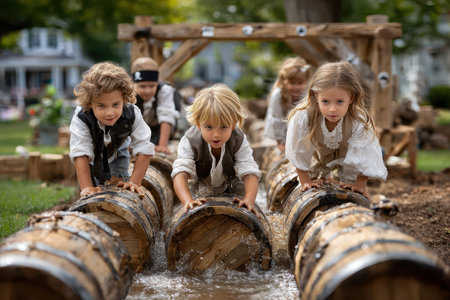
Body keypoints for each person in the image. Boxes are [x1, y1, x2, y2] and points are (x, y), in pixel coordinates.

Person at [285, 61, 387, 199]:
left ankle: (372, 212)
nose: (332, 109)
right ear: (316, 95)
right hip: (319, 158)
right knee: (310, 192)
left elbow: (366, 155)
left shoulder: (358, 119)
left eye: (340, 101)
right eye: (325, 101)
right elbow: (298, 151)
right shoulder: (305, 116)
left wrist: (360, 184)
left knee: (359, 195)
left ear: (351, 97)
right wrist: (306, 182)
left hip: (349, 160)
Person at [171, 83, 262, 213]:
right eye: (209, 127)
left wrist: (249, 199)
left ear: (233, 124)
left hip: (232, 184)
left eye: (224, 127)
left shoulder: (238, 139)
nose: (216, 134)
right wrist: (187, 200)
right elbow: (180, 173)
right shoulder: (190, 140)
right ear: (198, 124)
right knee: (189, 200)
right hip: (201, 183)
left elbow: (249, 172)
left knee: (242, 197)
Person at [70, 61, 154, 197]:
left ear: (124, 99)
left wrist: (134, 182)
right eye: (101, 105)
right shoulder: (82, 117)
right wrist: (87, 187)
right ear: (90, 103)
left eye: (116, 104)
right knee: (92, 191)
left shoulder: (131, 113)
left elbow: (144, 147)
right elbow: (80, 152)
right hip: (92, 153)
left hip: (117, 150)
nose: (110, 113)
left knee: (118, 187)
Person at [131, 57, 179, 154]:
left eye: (152, 86)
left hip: (159, 128)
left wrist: (162, 145)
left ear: (157, 83)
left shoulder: (164, 91)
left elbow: (166, 117)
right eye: (142, 86)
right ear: (134, 84)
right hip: (140, 127)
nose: (148, 91)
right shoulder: (129, 92)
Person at [264, 57, 313, 152]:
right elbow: (277, 120)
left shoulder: (306, 93)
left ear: (306, 81)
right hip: (280, 123)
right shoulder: (278, 94)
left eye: (300, 83)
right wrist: (281, 141)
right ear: (284, 81)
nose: (296, 87)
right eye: (292, 83)